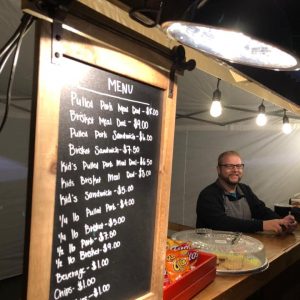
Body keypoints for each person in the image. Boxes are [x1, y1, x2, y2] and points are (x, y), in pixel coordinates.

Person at [196, 150, 297, 233]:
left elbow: (261, 211)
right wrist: (262, 225)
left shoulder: (244, 190)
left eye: (239, 166)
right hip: (213, 251)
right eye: (229, 166)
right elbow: (221, 223)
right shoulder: (208, 195)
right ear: (218, 169)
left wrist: (282, 221)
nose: (235, 170)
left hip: (240, 248)